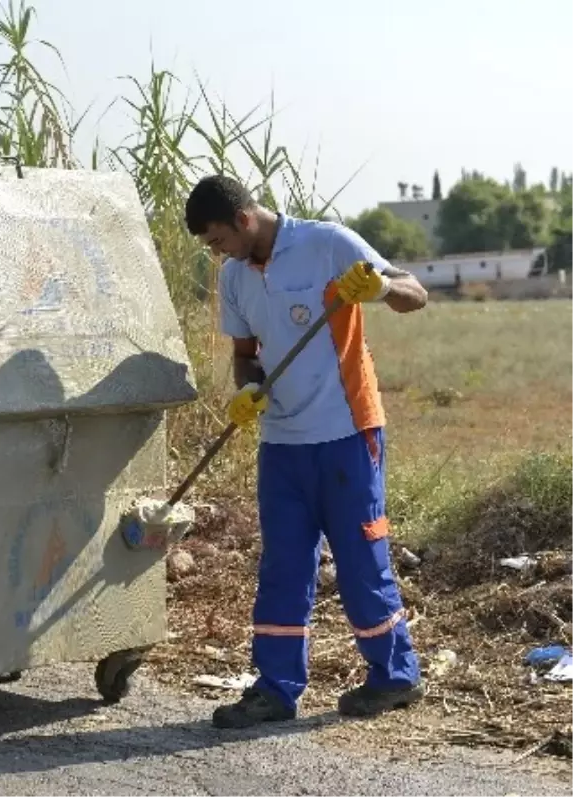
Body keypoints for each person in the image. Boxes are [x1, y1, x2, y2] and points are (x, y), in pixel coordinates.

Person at [183, 175, 430, 729]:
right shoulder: (235, 276)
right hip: (282, 443)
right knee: (283, 566)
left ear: (244, 220)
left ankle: (395, 677)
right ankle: (275, 689)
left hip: (346, 432)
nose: (216, 252)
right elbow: (245, 353)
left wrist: (381, 290)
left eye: (218, 239)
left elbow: (416, 293)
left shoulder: (328, 244)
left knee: (361, 560)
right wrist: (246, 390)